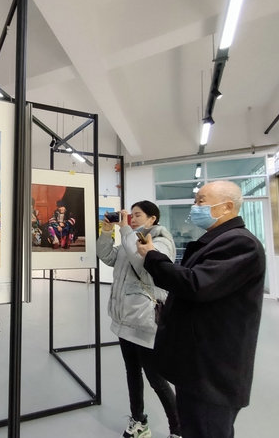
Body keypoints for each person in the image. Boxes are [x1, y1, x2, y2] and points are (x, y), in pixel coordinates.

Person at [136, 181, 266, 438]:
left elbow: (196, 284)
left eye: (201, 201)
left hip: (212, 371)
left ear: (227, 207)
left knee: (205, 428)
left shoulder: (240, 243)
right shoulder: (218, 241)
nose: (195, 207)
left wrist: (152, 256)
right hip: (197, 364)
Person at [97, 201, 181, 438]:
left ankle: (179, 428)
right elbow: (107, 256)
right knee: (132, 373)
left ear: (152, 219)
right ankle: (139, 421)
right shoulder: (130, 239)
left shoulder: (160, 242)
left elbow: (142, 262)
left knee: (156, 379)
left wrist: (125, 230)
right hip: (125, 320)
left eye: (137, 215)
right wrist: (106, 232)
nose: (132, 219)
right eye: (130, 215)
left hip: (145, 322)